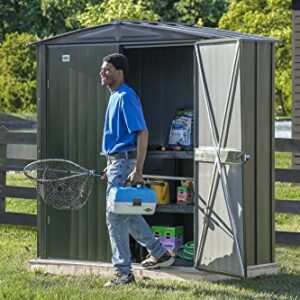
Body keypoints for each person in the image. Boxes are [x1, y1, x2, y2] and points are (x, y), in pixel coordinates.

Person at [100, 53, 174, 287]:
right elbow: (119, 139)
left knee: (114, 217)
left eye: (107, 69)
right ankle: (160, 254)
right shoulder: (114, 97)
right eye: (102, 69)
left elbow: (142, 133)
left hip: (124, 164)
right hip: (117, 163)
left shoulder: (125, 97)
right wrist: (109, 165)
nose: (102, 73)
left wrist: (138, 170)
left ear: (119, 71)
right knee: (128, 215)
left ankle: (123, 273)